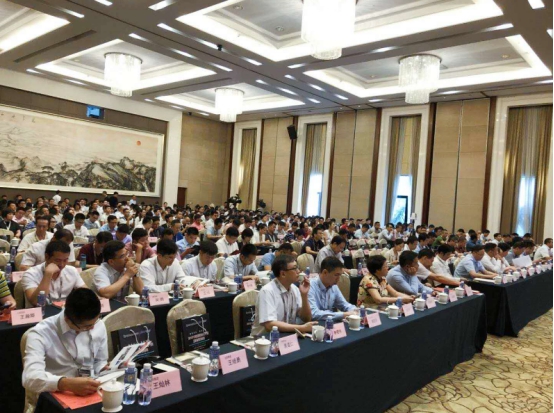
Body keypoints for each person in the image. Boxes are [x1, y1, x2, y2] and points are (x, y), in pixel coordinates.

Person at [22, 288, 107, 397]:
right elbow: (30, 378)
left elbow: (100, 361)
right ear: (67, 319)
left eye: (96, 321)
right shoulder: (41, 333)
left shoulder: (98, 324)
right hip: (57, 393)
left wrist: (104, 368)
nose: (92, 328)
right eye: (86, 326)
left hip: (91, 389)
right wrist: (65, 384)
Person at [251, 255, 316, 335]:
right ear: (283, 274)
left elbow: (306, 318)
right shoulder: (267, 291)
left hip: (287, 337)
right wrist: (302, 328)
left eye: (297, 267)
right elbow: (269, 325)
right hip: (264, 339)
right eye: (294, 268)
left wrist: (304, 295)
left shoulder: (294, 289)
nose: (298, 271)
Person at [22, 241, 86, 308]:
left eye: (65, 260)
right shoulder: (30, 274)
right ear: (47, 257)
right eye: (57, 260)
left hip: (65, 311)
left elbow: (86, 294)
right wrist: (48, 275)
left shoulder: (72, 271)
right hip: (41, 312)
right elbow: (36, 302)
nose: (62, 265)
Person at [308, 257, 357, 321]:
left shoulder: (333, 286)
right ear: (325, 272)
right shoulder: (310, 286)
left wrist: (355, 310)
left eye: (340, 275)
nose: (338, 279)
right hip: (312, 324)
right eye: (336, 275)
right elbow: (313, 313)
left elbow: (344, 305)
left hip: (328, 323)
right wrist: (343, 315)